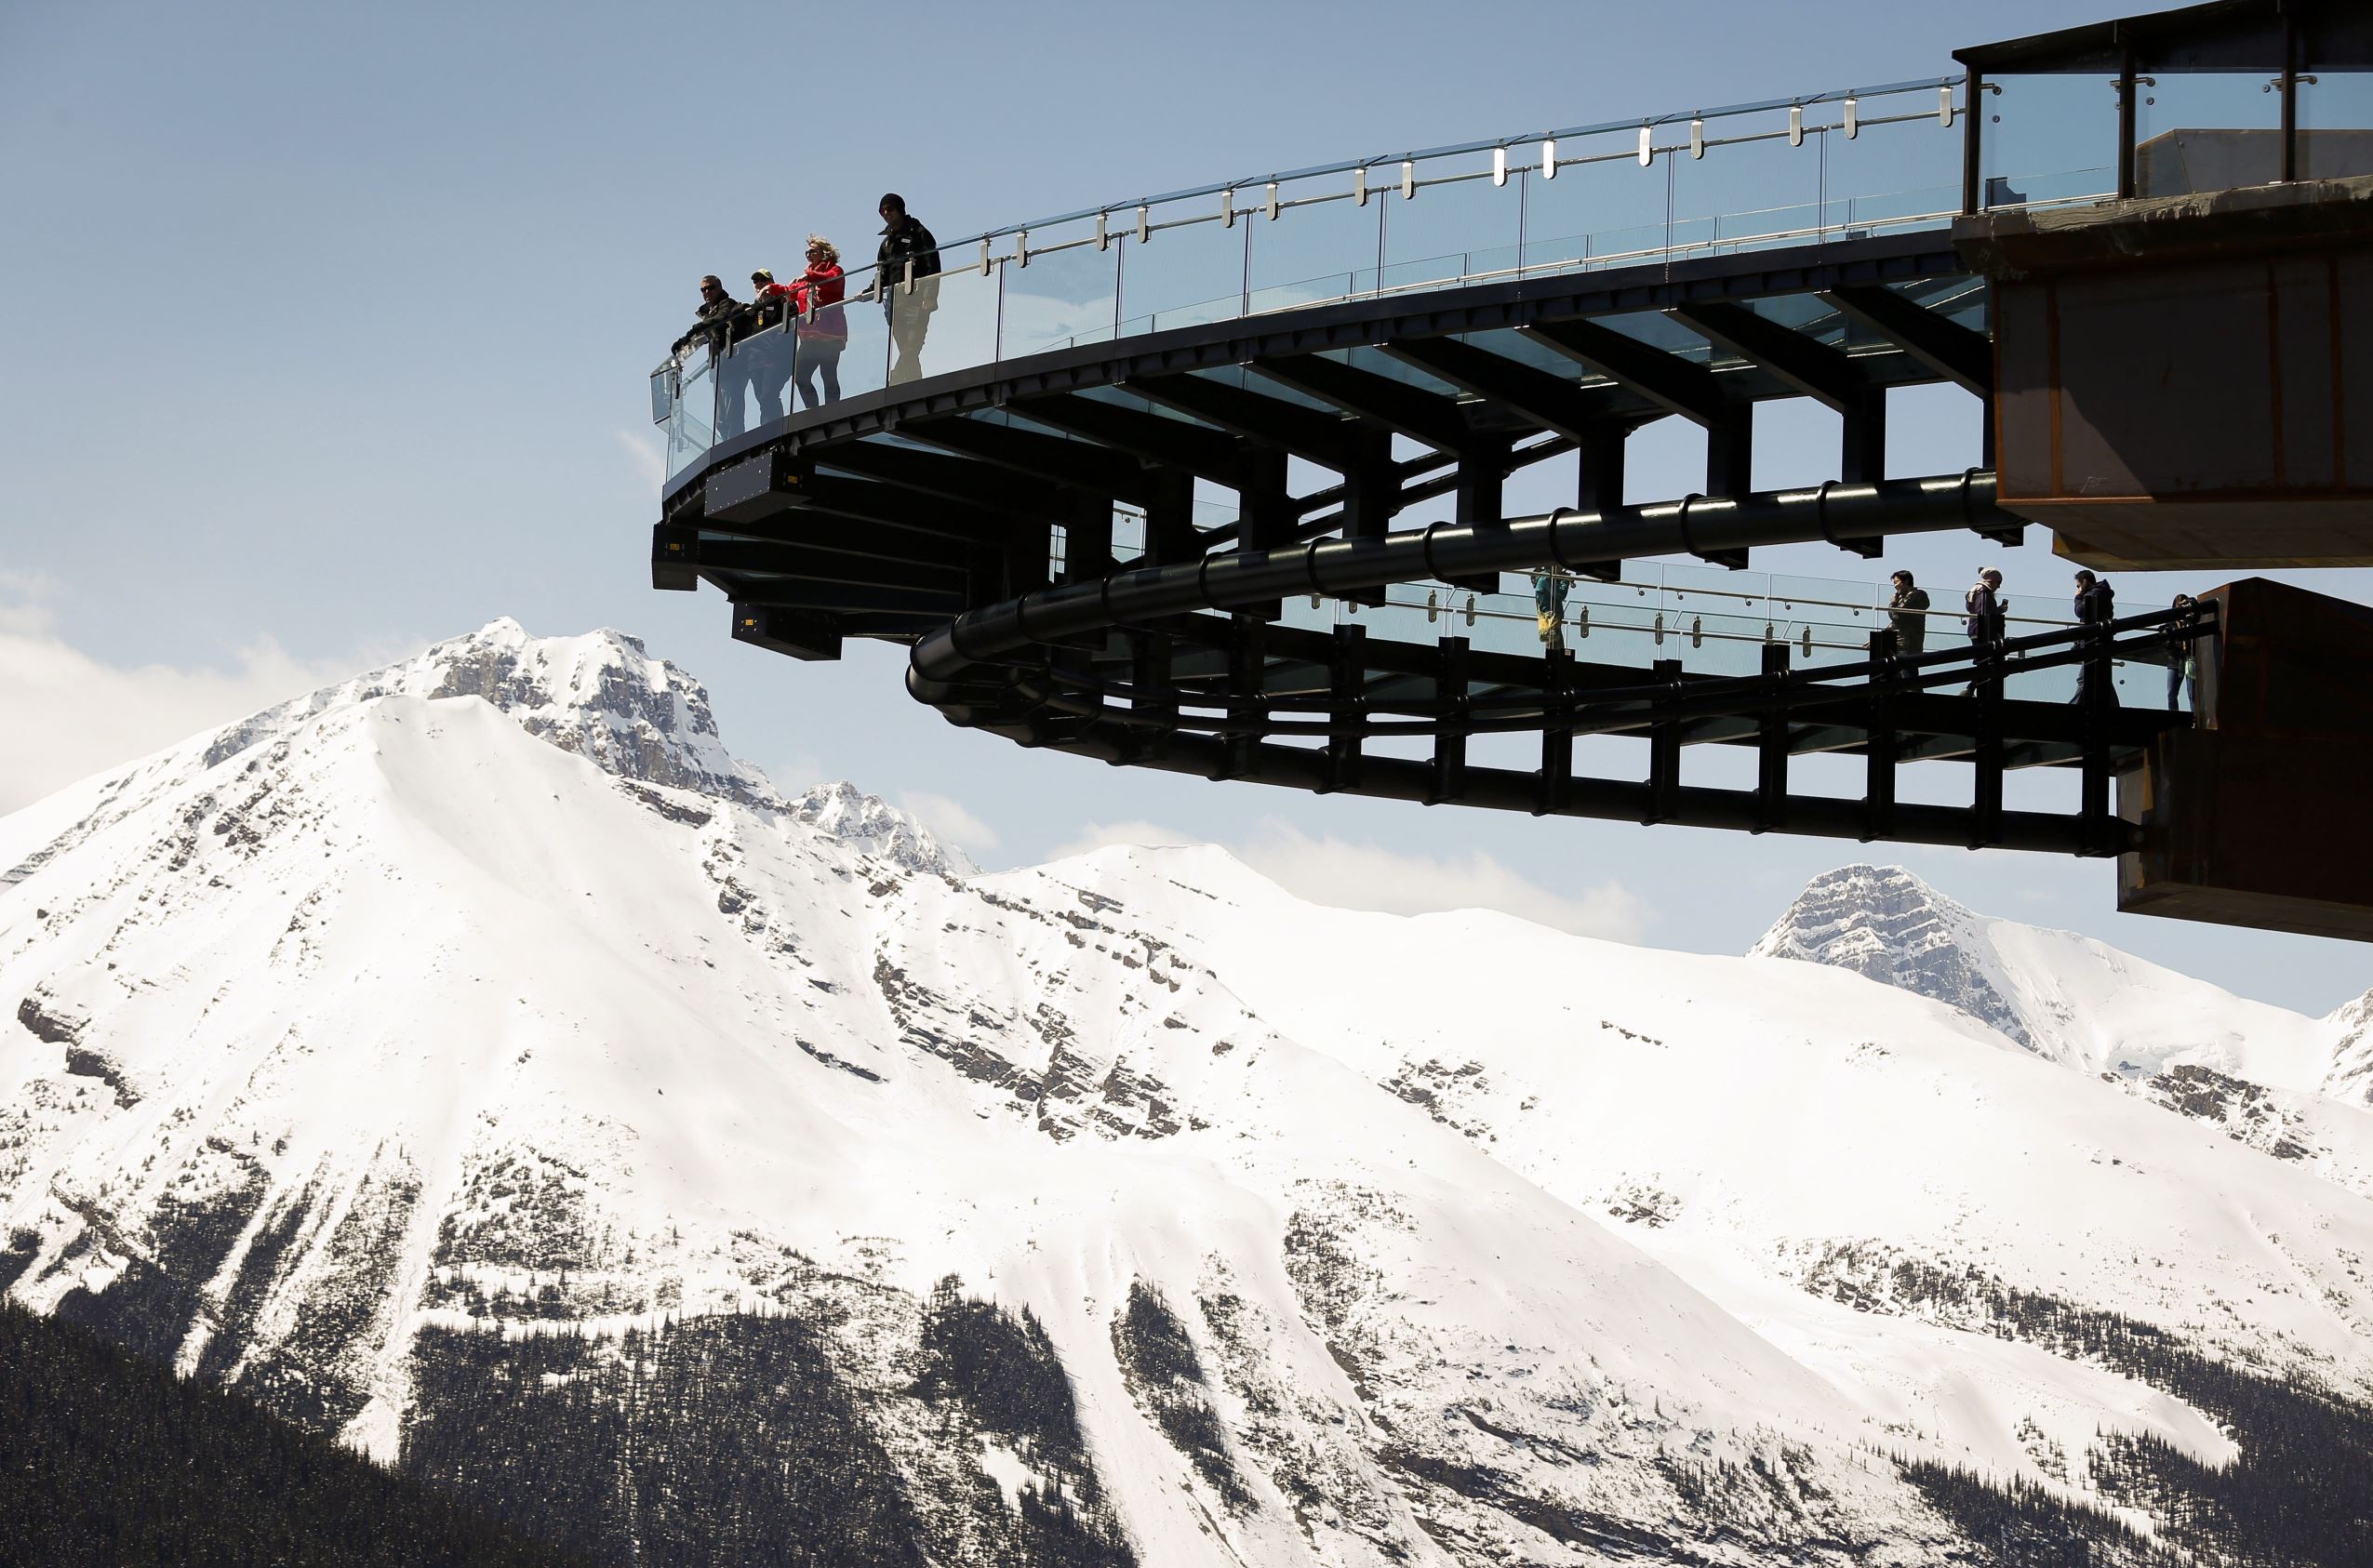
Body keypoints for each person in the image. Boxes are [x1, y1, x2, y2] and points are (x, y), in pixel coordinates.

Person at [874, 193, 940, 385]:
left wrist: (929, 297)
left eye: (890, 209)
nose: (886, 214)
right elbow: (883, 274)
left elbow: (933, 267)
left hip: (916, 301)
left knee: (912, 346)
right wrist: (871, 290)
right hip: (895, 305)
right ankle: (915, 387)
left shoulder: (919, 233)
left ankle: (895, 380)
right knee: (907, 350)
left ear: (900, 210)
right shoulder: (886, 243)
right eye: (882, 211)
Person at [671, 275, 745, 430]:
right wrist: (683, 342)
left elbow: (721, 318)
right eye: (703, 289)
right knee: (720, 422)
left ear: (719, 288)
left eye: (710, 288)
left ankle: (737, 441)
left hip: (733, 368)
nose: (706, 292)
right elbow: (702, 335)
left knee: (732, 417)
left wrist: (696, 328)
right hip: (719, 370)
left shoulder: (727, 304)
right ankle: (729, 442)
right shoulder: (710, 313)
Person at [739, 268, 801, 426]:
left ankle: (774, 430)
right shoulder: (752, 310)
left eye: (763, 280)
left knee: (768, 395)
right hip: (755, 362)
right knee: (762, 398)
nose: (759, 284)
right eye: (756, 281)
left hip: (777, 359)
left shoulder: (783, 302)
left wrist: (775, 346)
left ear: (771, 283)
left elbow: (794, 321)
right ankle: (770, 429)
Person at [793, 234, 848, 409]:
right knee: (800, 377)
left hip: (831, 333)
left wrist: (809, 276)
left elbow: (829, 280)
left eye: (812, 251)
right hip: (810, 335)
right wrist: (771, 289)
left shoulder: (835, 270)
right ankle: (813, 411)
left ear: (825, 253)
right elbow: (790, 291)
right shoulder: (806, 277)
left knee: (828, 375)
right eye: (807, 252)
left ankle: (832, 411)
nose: (809, 255)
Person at [2072, 568, 2117, 708]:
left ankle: (2073, 707)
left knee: (2084, 679)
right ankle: (2116, 708)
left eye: (2079, 586)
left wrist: (2078, 597)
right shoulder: (2100, 592)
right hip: (2098, 641)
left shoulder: (2095, 594)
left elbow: (2080, 611)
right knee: (2103, 678)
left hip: (2095, 642)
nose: (2078, 589)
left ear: (2085, 582)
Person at [1963, 566, 2006, 694]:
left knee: (1983, 660)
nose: (1999, 586)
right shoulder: (1984, 593)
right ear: (1992, 581)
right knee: (1988, 660)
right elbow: (1984, 613)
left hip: (1974, 629)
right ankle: (1971, 688)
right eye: (1998, 582)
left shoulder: (1975, 591)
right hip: (1982, 630)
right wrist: (1999, 610)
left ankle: (1972, 688)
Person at [2167, 593, 2201, 716]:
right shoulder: (2170, 624)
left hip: (2188, 660)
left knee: (2192, 694)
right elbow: (2167, 642)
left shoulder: (2191, 622)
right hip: (2175, 661)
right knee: (2171, 694)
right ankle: (2174, 718)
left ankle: (2195, 718)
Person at [1887, 569, 1930, 658]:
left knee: (1906, 667)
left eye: (1896, 582)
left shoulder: (1916, 595)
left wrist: (1893, 604)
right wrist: (1880, 638)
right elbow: (1896, 623)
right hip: (1899, 644)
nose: (1895, 586)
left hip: (1907, 645)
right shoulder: (1903, 598)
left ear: (1906, 581)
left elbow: (1897, 617)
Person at [1532, 570, 1569, 649]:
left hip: (1550, 618)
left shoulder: (1544, 579)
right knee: (1556, 646)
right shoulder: (1545, 579)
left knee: (1553, 644)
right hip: (1552, 618)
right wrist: (1564, 580)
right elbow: (1561, 594)